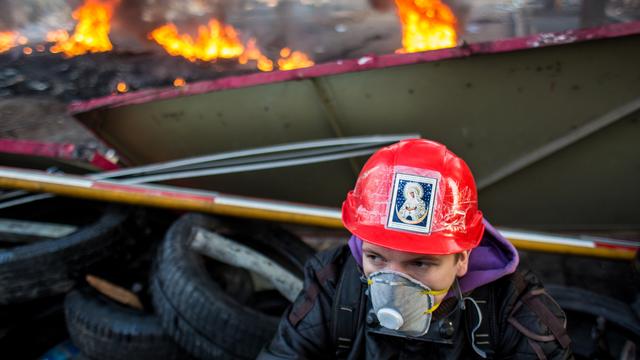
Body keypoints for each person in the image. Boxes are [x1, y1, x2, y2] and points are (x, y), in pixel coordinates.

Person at [258, 139, 573, 359]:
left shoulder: (514, 311)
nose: (393, 282)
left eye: (420, 264)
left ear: (462, 257)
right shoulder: (334, 282)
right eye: (375, 257)